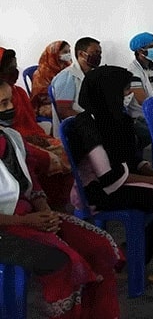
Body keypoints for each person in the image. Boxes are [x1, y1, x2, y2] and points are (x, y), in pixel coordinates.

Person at [1, 80, 124, 319]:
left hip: (28, 216)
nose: (10, 108)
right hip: (6, 226)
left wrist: (44, 209)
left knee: (98, 245)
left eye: (10, 101)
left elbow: (31, 180)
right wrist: (28, 221)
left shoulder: (12, 137)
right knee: (63, 262)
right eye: (2, 104)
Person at [66, 66, 153, 265]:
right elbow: (108, 176)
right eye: (124, 90)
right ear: (109, 91)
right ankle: (136, 256)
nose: (128, 95)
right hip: (100, 189)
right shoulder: (87, 125)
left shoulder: (116, 119)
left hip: (123, 179)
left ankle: (133, 248)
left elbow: (130, 158)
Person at [0, 47, 73, 211]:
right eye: (9, 67)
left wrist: (39, 137)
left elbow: (30, 122)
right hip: (19, 139)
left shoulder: (18, 92)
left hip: (27, 135)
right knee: (48, 158)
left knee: (67, 149)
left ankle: (61, 201)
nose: (14, 71)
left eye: (15, 66)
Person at [51, 37, 102, 125]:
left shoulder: (93, 75)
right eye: (95, 53)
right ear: (81, 54)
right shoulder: (67, 76)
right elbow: (63, 111)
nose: (98, 56)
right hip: (76, 125)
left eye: (100, 53)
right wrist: (91, 119)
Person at [30, 40, 72, 120]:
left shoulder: (66, 66)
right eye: (65, 52)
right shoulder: (41, 74)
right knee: (68, 111)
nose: (68, 54)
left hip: (64, 99)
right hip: (46, 104)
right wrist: (62, 98)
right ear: (55, 54)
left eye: (69, 51)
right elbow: (41, 97)